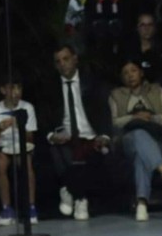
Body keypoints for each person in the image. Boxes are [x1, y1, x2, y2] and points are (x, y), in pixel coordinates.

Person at [45, 43, 112, 221]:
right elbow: (44, 118)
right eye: (58, 61)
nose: (63, 64)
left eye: (66, 59)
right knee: (58, 151)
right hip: (65, 136)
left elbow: (104, 111)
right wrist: (52, 135)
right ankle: (81, 199)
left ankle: (69, 191)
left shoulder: (92, 82)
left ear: (75, 59)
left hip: (90, 135)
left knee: (89, 153)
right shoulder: (50, 88)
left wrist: (104, 136)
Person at [108, 59, 162, 221]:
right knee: (139, 135)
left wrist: (152, 118)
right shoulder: (116, 95)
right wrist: (134, 117)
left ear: (141, 72)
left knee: (141, 157)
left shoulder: (156, 90)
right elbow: (114, 122)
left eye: (133, 71)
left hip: (158, 140)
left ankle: (141, 204)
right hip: (128, 141)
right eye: (125, 73)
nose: (130, 75)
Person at [0, 72, 38, 226]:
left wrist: (20, 125)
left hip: (22, 146)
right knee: (0, 163)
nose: (16, 92)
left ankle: (31, 207)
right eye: (12, 88)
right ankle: (6, 208)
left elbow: (31, 138)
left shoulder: (27, 107)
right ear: (3, 90)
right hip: (2, 146)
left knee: (26, 163)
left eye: (19, 88)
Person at [121, 11, 162, 90]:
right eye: (142, 25)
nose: (146, 28)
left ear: (155, 28)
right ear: (137, 28)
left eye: (150, 25)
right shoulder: (129, 50)